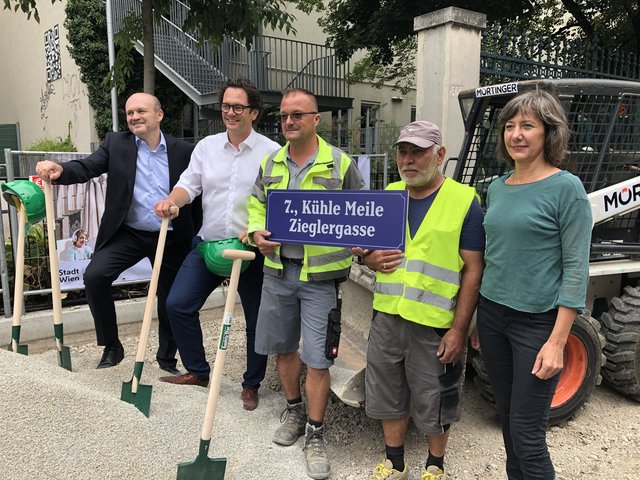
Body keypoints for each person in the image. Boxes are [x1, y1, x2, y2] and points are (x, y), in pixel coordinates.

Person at [352, 121, 485, 480]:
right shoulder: (390, 194)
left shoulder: (463, 201)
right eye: (403, 152)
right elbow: (367, 249)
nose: (408, 160)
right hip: (388, 316)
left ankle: (435, 465)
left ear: (439, 155)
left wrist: (459, 329)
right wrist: (367, 259)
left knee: (435, 395)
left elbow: (473, 270)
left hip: (435, 323)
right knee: (387, 391)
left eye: (419, 152)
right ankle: (395, 462)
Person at [247, 88, 364, 480]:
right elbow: (255, 204)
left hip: (320, 279)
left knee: (318, 358)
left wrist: (362, 242)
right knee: (282, 349)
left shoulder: (340, 164)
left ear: (317, 119)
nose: (289, 122)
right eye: (283, 116)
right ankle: (294, 410)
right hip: (278, 272)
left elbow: (362, 213)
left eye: (298, 115)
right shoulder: (271, 162)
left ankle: (316, 431)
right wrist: (255, 232)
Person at [35, 92, 200, 372]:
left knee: (170, 299)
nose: (134, 117)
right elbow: (87, 167)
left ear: (159, 115)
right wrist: (59, 169)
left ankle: (166, 359)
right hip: (130, 233)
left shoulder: (183, 151)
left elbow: (197, 191)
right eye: (129, 113)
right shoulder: (117, 143)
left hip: (171, 235)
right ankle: (112, 345)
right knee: (95, 276)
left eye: (141, 111)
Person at [474, 90, 592, 479]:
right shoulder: (498, 186)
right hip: (492, 316)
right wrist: (477, 316)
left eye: (527, 126)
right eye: (510, 126)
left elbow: (576, 267)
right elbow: (496, 255)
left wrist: (558, 341)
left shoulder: (567, 188)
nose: (516, 134)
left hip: (537, 325)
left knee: (527, 434)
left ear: (548, 133)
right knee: (507, 422)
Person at [154, 78, 280, 411]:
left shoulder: (271, 153)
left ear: (253, 112)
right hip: (208, 245)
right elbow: (188, 185)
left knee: (257, 319)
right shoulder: (207, 147)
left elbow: (277, 203)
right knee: (177, 303)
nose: (230, 112)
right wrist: (173, 201)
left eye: (238, 107)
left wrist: (259, 230)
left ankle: (252, 383)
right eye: (226, 106)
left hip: (250, 250)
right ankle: (198, 371)